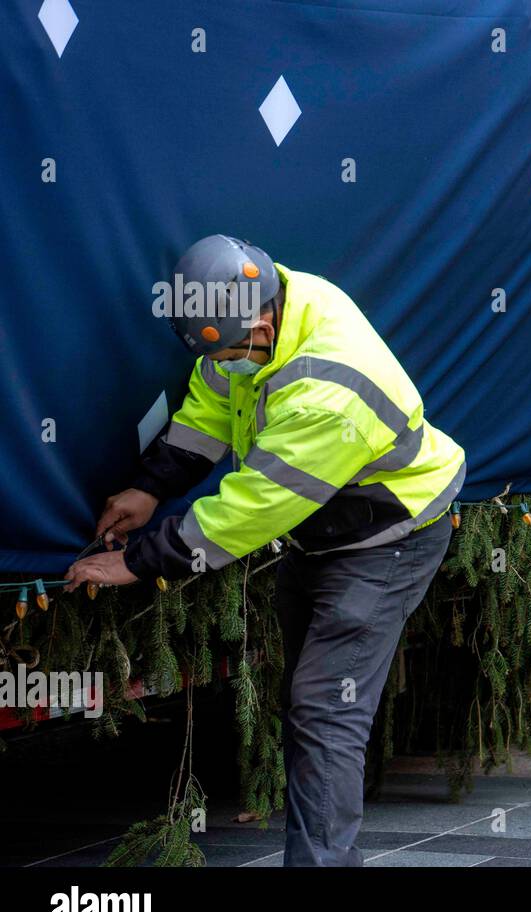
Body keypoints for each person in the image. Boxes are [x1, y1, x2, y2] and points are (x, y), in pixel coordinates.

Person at [64, 235, 466, 864]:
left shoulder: (331, 387)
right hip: (323, 533)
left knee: (324, 711)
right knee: (315, 707)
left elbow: (251, 509)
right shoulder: (260, 312)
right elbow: (212, 404)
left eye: (228, 352)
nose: (223, 363)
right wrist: (150, 488)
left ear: (261, 320)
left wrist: (137, 562)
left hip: (388, 542)